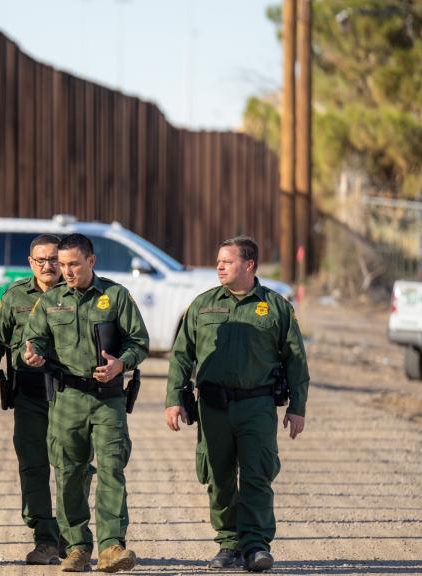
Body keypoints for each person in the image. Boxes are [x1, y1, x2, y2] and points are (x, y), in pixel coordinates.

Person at [164, 236, 308, 573]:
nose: (219, 266)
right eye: (218, 261)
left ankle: (256, 546)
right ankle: (228, 543)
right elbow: (181, 356)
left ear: (249, 265)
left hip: (256, 405)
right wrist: (174, 399)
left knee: (257, 476)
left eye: (227, 261)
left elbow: (296, 360)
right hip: (212, 406)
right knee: (219, 476)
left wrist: (298, 407)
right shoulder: (202, 305)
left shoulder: (276, 306)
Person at [23, 233, 149, 573]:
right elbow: (34, 338)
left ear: (91, 261)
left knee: (111, 469)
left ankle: (111, 547)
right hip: (67, 399)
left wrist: (121, 364)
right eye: (62, 265)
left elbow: (140, 341)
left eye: (73, 264)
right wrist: (32, 353)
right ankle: (77, 548)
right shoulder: (51, 301)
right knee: (68, 473)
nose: (66, 271)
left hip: (108, 399)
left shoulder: (115, 296)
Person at [0, 234, 67, 564]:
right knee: (33, 467)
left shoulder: (75, 294)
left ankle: (71, 536)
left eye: (54, 259)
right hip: (29, 396)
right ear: (30, 263)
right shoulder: (15, 297)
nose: (48, 265)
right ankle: (45, 539)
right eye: (41, 260)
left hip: (70, 396)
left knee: (74, 467)